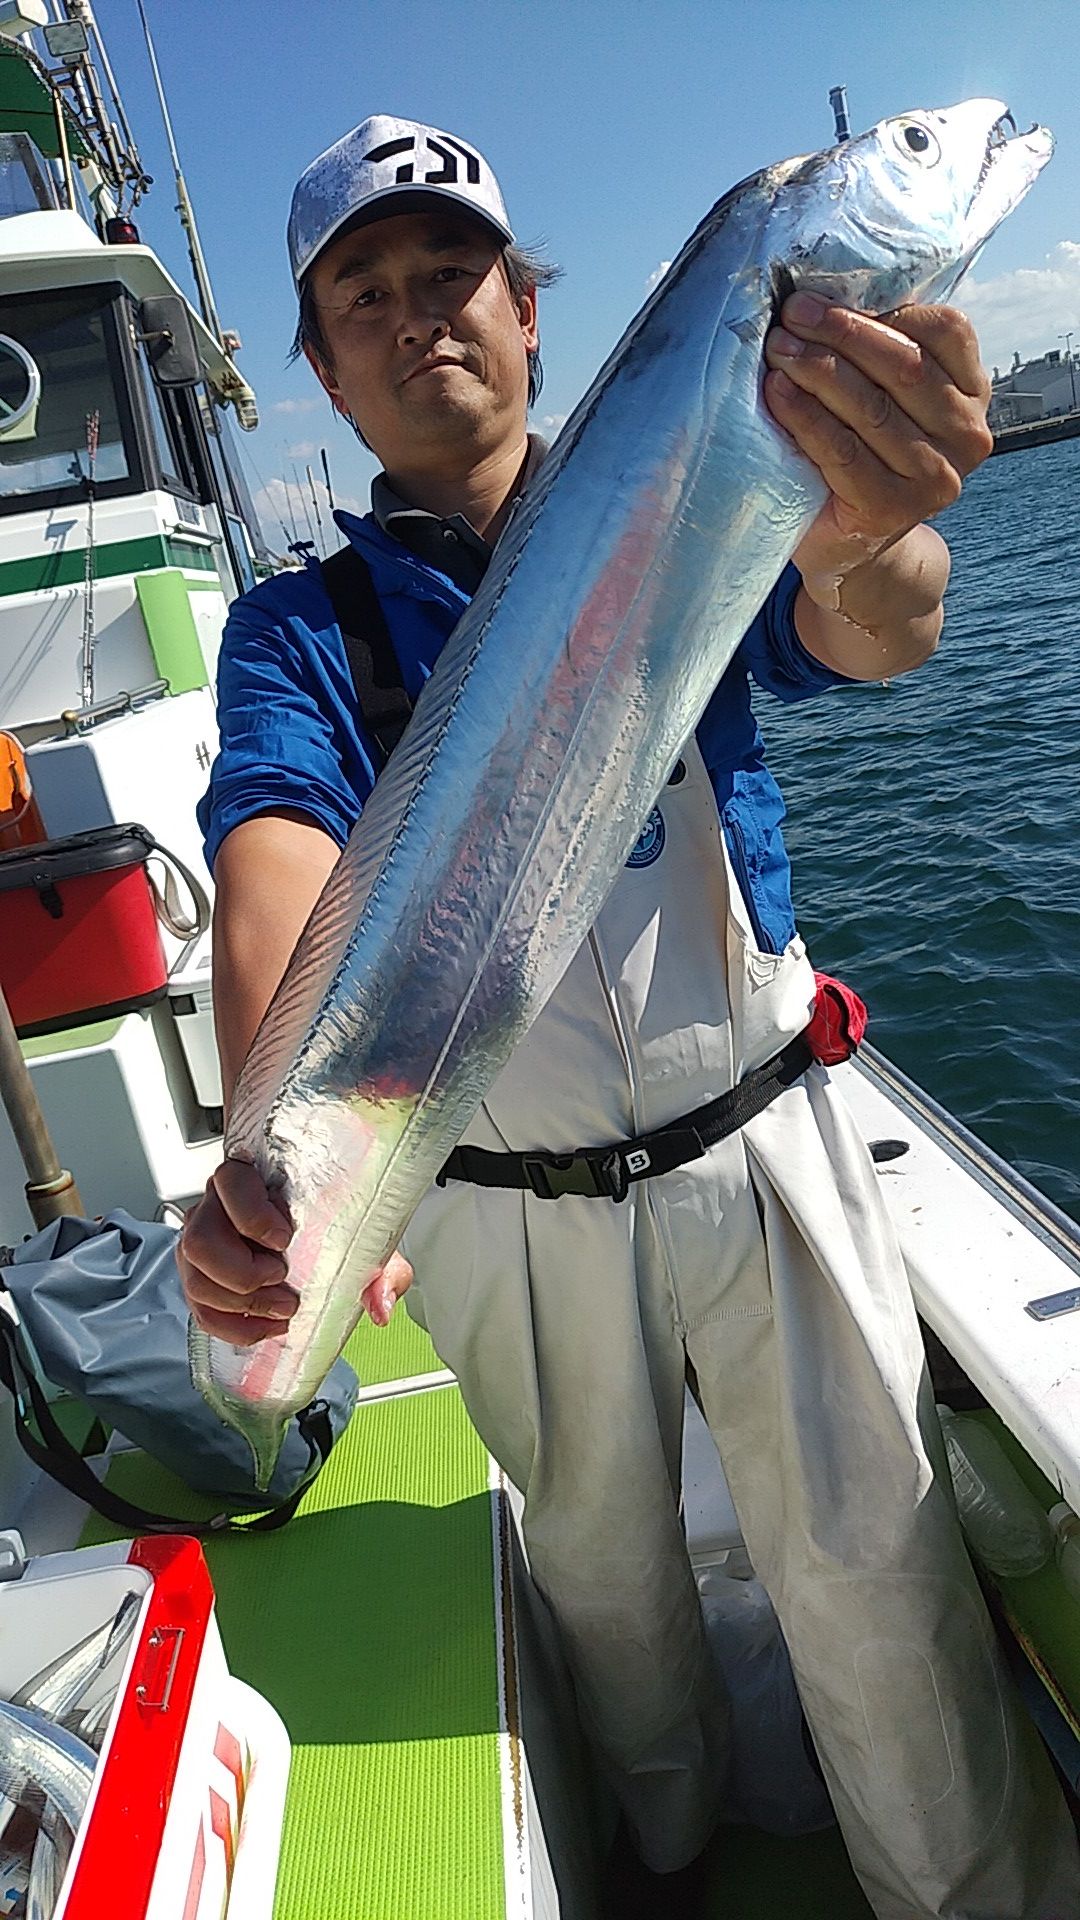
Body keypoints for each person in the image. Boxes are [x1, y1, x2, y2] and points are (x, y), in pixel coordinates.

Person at [180, 115, 1079, 1918]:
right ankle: (670, 1864)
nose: (418, 314)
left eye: (453, 274)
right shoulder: (299, 631)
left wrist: (877, 527)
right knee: (607, 1605)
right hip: (501, 1205)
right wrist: (275, 1165)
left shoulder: (701, 477)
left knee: (882, 1578)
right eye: (366, 296)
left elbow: (875, 623)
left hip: (761, 1143)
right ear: (326, 378)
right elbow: (274, 859)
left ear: (528, 309)